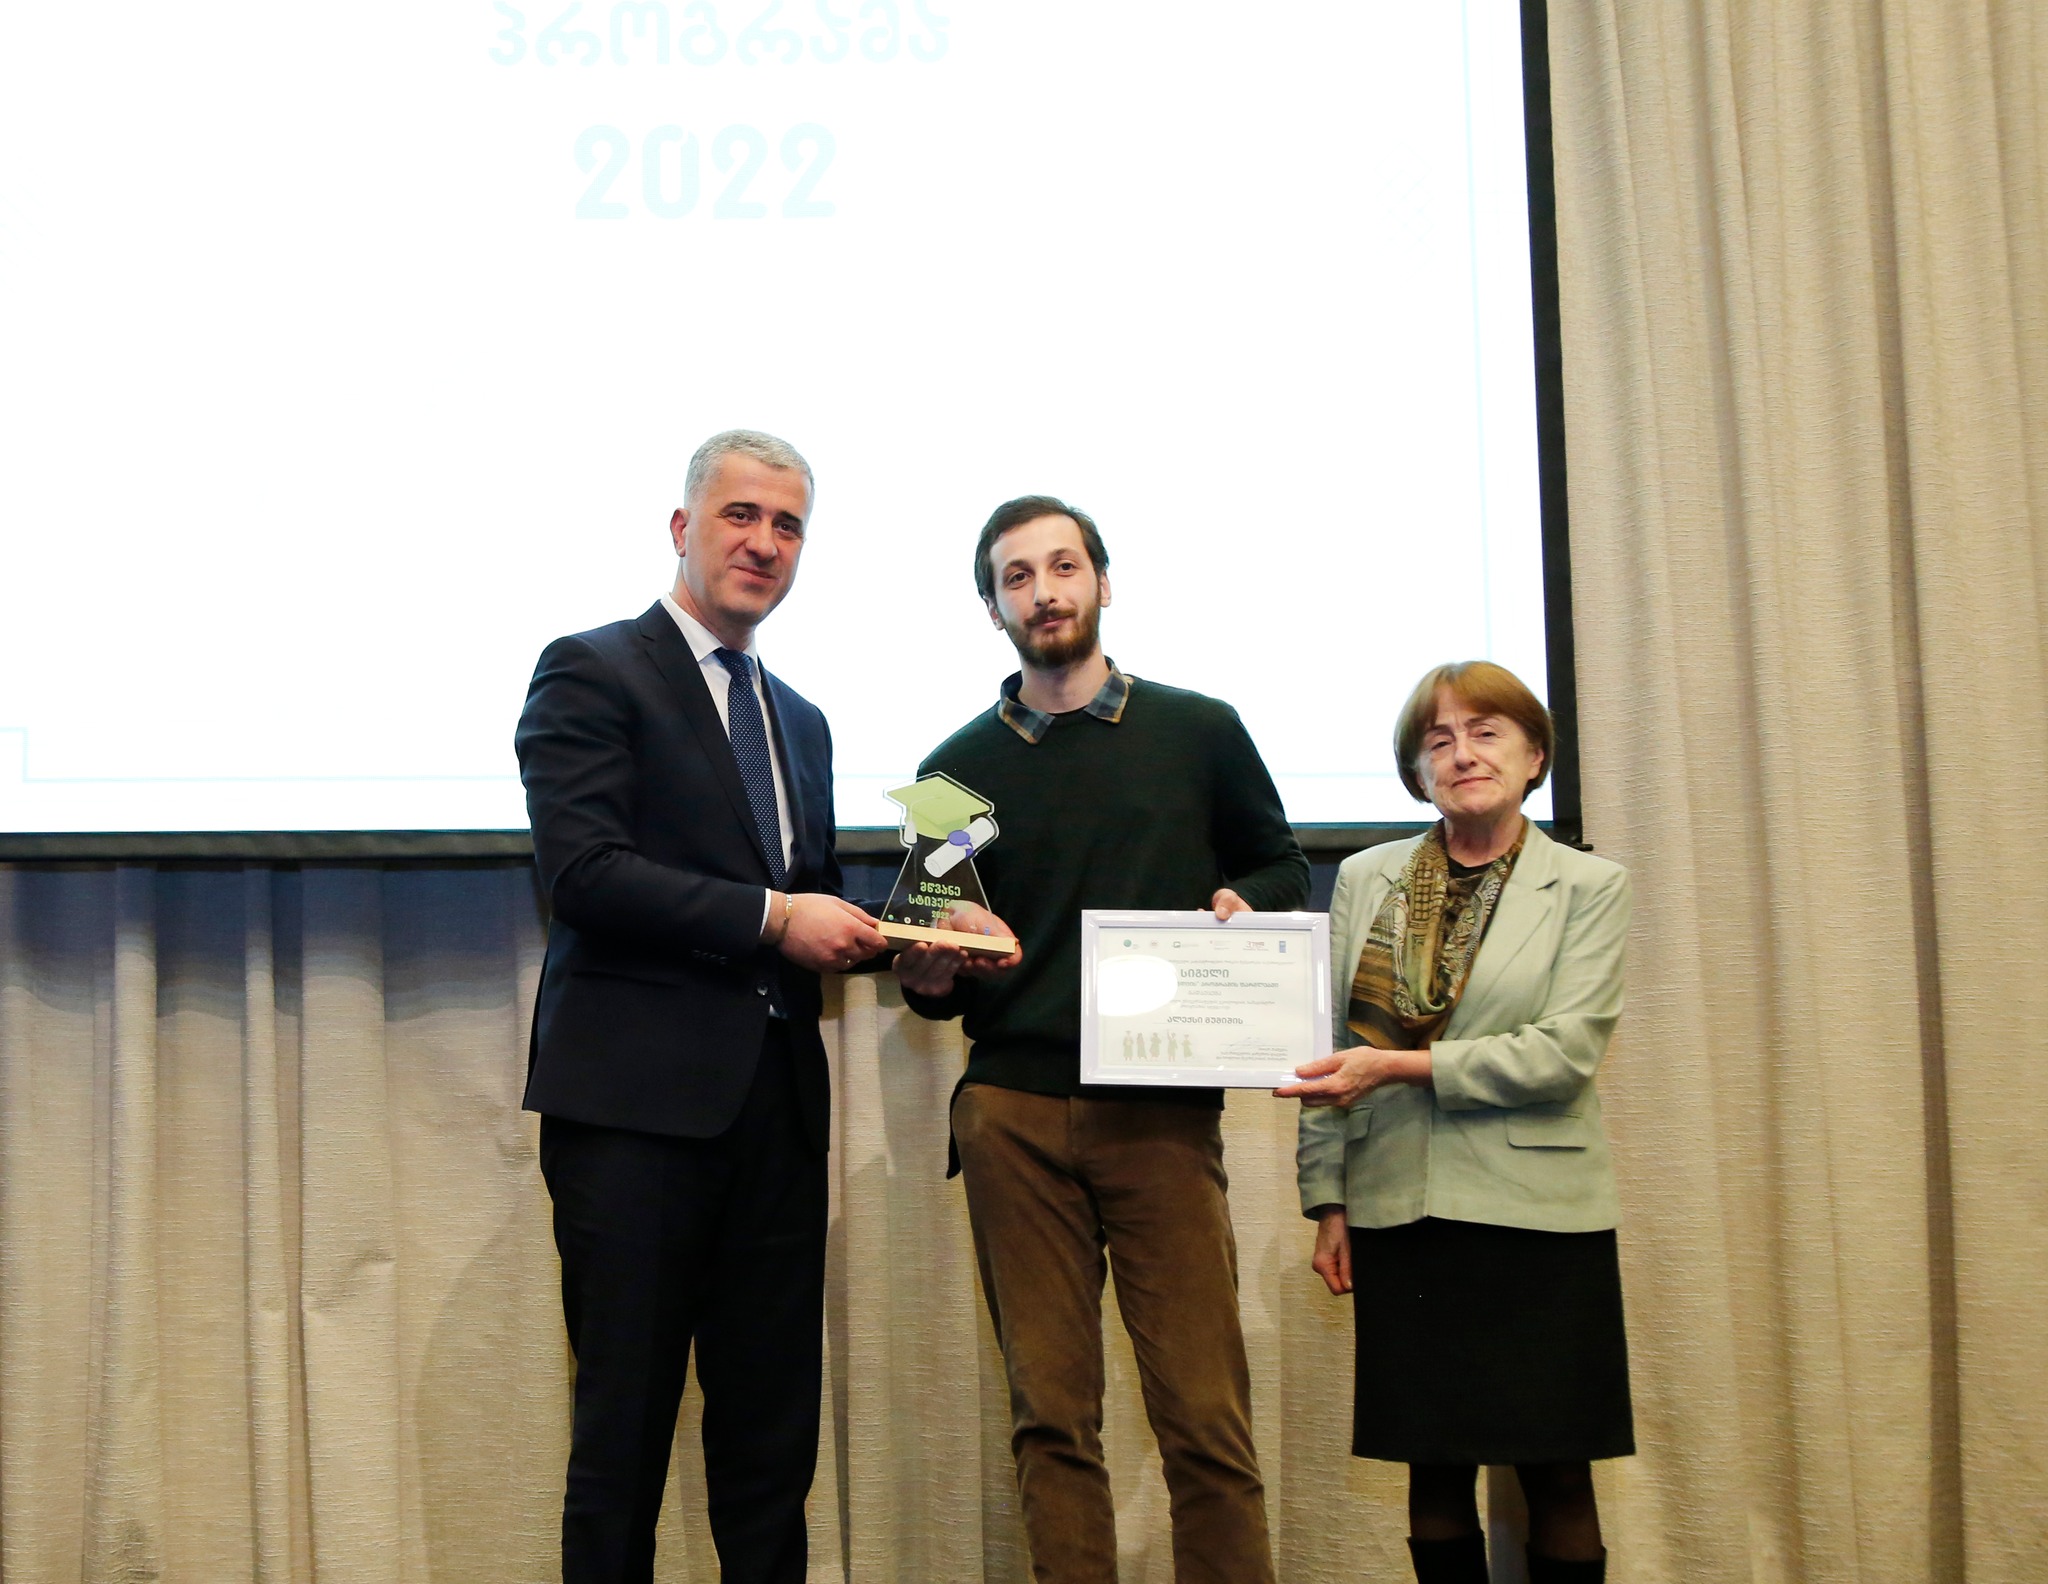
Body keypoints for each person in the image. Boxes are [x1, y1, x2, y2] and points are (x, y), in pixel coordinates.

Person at [895, 495, 1308, 1584]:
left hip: (1160, 1109)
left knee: (1205, 1418)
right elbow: (929, 967)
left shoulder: (1199, 731)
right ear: (992, 610)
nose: (1044, 592)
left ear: (1103, 582)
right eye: (1017, 577)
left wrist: (1244, 903)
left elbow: (1280, 866)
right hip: (1012, 1114)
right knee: (1051, 1419)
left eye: (1063, 566)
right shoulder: (949, 778)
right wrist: (927, 969)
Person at [515, 430, 888, 1584]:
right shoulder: (590, 669)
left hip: (776, 1119)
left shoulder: (801, 720)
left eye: (787, 526)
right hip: (633, 1119)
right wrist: (774, 918)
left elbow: (813, 895)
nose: (763, 543)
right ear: (682, 528)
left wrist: (918, 956)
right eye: (740, 515)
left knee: (772, 1450)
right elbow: (584, 874)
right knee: (621, 1439)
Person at [1281, 661, 1633, 1584]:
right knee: (1432, 1470)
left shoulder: (1588, 885)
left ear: (1535, 756)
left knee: (1558, 1470)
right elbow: (1333, 1048)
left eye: (1485, 732)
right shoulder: (1368, 877)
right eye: (1438, 741)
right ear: (1417, 771)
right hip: (1400, 1206)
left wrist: (1400, 1067)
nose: (1462, 754)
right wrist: (1328, 1200)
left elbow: (1562, 1055)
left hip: (1539, 1217)